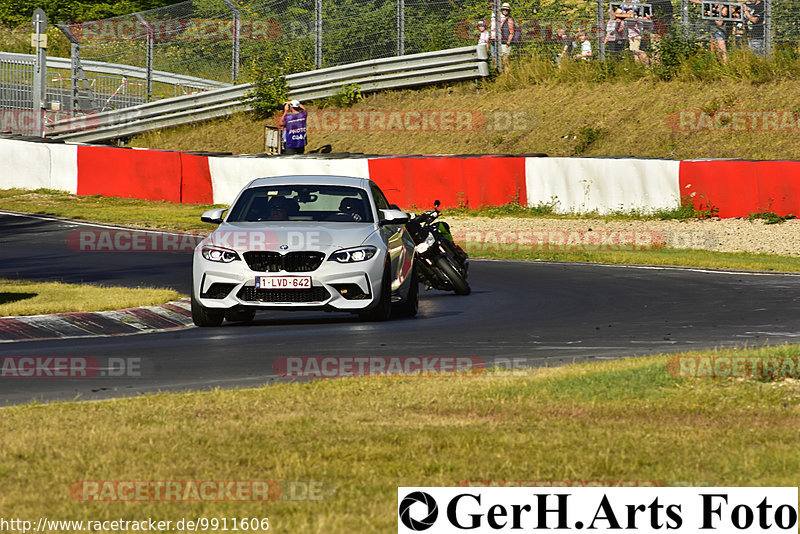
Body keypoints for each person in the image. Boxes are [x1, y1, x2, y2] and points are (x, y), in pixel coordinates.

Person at [498, 2, 516, 73]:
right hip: (503, 42)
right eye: (503, 9)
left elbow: (511, 32)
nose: (504, 11)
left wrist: (508, 43)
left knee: (505, 60)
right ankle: (507, 75)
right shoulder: (504, 19)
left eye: (506, 10)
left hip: (506, 43)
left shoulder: (509, 19)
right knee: (504, 60)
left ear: (508, 11)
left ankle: (508, 75)